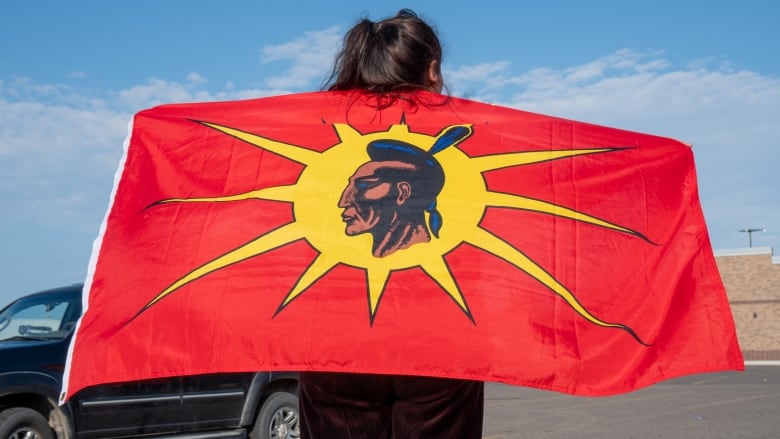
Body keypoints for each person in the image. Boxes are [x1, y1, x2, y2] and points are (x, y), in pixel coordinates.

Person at [298, 9, 485, 439]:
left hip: (331, 343)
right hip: (440, 339)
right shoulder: (478, 132)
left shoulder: (309, 130)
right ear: (433, 70)